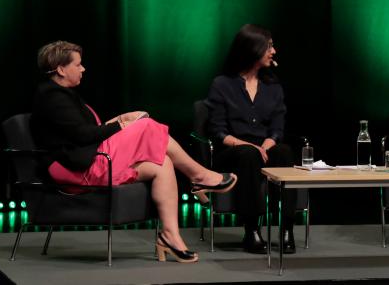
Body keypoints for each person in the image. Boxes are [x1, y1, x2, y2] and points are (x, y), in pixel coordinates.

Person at [30, 41, 237, 264]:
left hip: (91, 159)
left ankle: (170, 237)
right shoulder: (52, 97)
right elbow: (82, 136)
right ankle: (198, 176)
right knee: (147, 127)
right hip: (80, 168)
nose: (83, 69)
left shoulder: (62, 95)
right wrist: (122, 126)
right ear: (61, 69)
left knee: (162, 162)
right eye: (78, 65)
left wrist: (122, 119)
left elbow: (84, 131)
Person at [206, 24, 297, 254]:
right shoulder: (222, 85)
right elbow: (217, 131)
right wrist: (248, 145)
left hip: (263, 149)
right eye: (269, 46)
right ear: (252, 49)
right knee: (249, 154)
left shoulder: (273, 86)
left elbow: (277, 127)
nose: (273, 51)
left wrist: (267, 144)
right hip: (233, 152)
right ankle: (252, 230)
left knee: (284, 151)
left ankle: (286, 229)